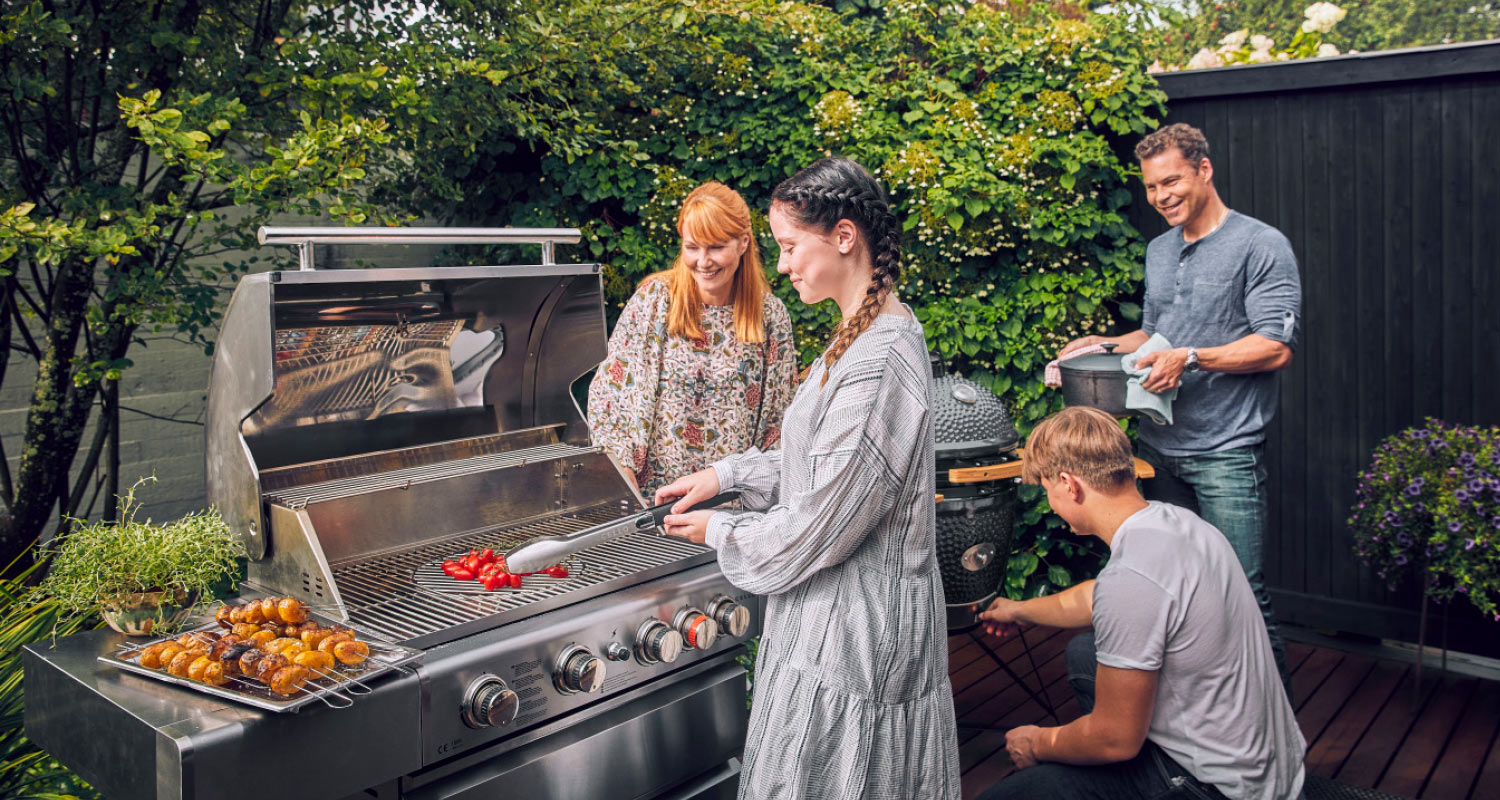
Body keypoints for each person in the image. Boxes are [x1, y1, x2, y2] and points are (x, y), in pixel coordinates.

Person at [656, 157, 960, 799]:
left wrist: (720, 530)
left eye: (792, 246)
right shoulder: (856, 335)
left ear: (844, 237)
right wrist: (724, 474)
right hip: (829, 624)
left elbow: (821, 524)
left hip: (858, 639)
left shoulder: (879, 361)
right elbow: (821, 464)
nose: (785, 264)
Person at [1058, 122, 1302, 693]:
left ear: (1204, 170)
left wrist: (1191, 358)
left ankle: (1278, 736)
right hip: (1159, 452)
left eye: (1172, 181)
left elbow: (1274, 346)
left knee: (1242, 591)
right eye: (1151, 187)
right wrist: (1101, 345)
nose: (1161, 196)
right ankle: (1193, 730)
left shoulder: (1260, 245)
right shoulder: (1159, 250)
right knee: (1172, 585)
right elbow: (1154, 333)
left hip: (1226, 454)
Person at [977, 406, 1306, 800]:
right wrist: (1021, 610)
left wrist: (1038, 743)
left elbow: (1114, 740)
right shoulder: (1181, 524)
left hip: (1220, 790)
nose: (1050, 503)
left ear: (1069, 484)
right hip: (1274, 773)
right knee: (1086, 652)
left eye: (1048, 489)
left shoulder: (1132, 578)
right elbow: (1098, 596)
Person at [587, 181, 798, 500]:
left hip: (732, 508)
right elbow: (610, 397)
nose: (703, 261)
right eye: (692, 246)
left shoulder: (771, 316)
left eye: (716, 247)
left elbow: (779, 423)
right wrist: (622, 479)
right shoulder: (654, 301)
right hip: (654, 505)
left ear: (743, 243)